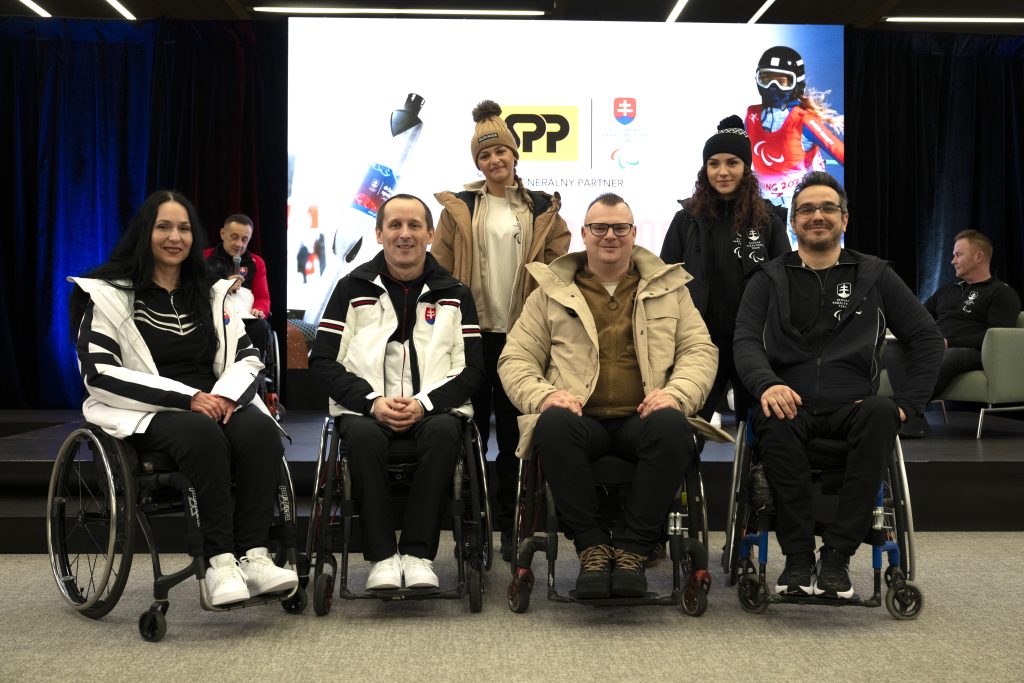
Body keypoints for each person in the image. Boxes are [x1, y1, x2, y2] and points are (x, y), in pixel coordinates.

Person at [69, 190, 298, 607]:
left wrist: (225, 397)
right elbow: (99, 372)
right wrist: (189, 397)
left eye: (184, 228)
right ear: (145, 232)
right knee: (201, 433)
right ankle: (219, 561)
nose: (175, 237)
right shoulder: (107, 294)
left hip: (215, 401)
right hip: (150, 409)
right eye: (164, 227)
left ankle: (255, 555)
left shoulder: (212, 293)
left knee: (261, 432)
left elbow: (248, 356)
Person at [733, 171, 944, 599]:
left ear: (844, 219)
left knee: (882, 411)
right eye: (807, 209)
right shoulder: (768, 278)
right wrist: (767, 384)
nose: (818, 216)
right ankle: (796, 557)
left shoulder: (874, 275)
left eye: (828, 208)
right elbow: (745, 341)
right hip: (790, 403)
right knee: (770, 415)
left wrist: (909, 403)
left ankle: (836, 556)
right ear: (792, 223)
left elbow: (926, 338)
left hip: (854, 404)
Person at [498, 193, 719, 599]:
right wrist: (545, 396)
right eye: (599, 228)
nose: (609, 236)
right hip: (581, 418)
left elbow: (699, 351)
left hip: (645, 416)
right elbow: (515, 358)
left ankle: (634, 549)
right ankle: (593, 548)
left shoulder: (671, 289)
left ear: (634, 234)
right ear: (584, 234)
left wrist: (677, 394)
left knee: (674, 425)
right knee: (553, 424)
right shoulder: (550, 291)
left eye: (620, 227)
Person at [309, 194, 484, 591]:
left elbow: (472, 369)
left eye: (414, 226)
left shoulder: (457, 293)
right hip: (366, 411)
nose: (404, 234)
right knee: (365, 437)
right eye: (395, 225)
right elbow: (323, 361)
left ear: (430, 234)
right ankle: (384, 558)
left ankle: (419, 555)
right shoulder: (350, 288)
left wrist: (424, 404)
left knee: (444, 434)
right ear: (379, 233)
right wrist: (371, 403)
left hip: (435, 410)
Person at [432, 99, 570, 562]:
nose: (494, 161)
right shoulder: (461, 208)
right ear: (478, 163)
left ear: (515, 156)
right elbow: (441, 269)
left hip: (522, 338)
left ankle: (514, 527)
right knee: (470, 432)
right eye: (484, 157)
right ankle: (473, 528)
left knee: (514, 436)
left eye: (500, 154)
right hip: (471, 337)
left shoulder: (541, 209)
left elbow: (561, 265)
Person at [660, 115, 790, 424]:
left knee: (762, 425)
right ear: (704, 169)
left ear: (746, 167)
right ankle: (686, 473)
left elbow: (786, 281)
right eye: (714, 163)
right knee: (687, 423)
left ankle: (758, 472)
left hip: (755, 343)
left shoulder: (769, 220)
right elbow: (664, 279)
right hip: (698, 341)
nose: (722, 172)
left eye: (732, 162)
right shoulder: (686, 219)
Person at [886, 230, 1022, 437]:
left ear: (979, 257)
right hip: (935, 347)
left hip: (972, 352)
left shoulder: (1002, 293)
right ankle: (913, 418)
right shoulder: (947, 290)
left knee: (949, 355)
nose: (952, 261)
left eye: (958, 255)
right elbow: (918, 316)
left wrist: (949, 343)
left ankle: (903, 413)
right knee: (895, 347)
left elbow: (995, 336)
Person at [745, 46, 844, 206]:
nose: (773, 87)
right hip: (765, 206)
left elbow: (840, 152)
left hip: (801, 207)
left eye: (782, 81)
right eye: (766, 78)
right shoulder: (752, 116)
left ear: (796, 84)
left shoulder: (804, 120)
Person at [204, 214, 275, 384]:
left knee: (261, 327)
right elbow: (194, 288)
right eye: (234, 237)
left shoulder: (256, 262)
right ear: (222, 234)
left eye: (245, 239)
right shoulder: (205, 257)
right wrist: (222, 285)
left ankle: (251, 378)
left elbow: (262, 296)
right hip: (213, 316)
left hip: (244, 318)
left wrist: (259, 310)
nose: (239, 244)